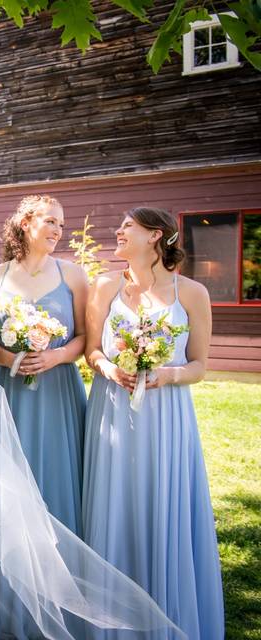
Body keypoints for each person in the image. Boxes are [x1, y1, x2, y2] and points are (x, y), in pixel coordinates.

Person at [83, 207, 224, 639]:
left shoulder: (193, 293)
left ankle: (165, 613)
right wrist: (108, 370)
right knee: (114, 506)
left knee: (161, 503)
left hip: (167, 418)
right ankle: (110, 618)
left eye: (129, 226)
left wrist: (169, 374)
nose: (119, 231)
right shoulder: (105, 286)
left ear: (156, 236)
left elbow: (199, 365)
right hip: (111, 411)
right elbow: (93, 352)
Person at [0, 195, 88, 536]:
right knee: (11, 472)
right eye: (50, 221)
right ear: (26, 222)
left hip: (60, 391)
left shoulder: (73, 275)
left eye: (62, 225)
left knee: (59, 470)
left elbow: (84, 337)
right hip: (12, 393)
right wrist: (11, 359)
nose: (58, 230)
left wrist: (55, 356)